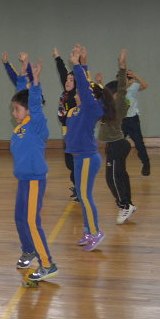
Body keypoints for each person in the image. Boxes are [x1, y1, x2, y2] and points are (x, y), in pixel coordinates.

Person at [10, 55, 57, 281]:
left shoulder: (36, 125)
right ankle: (29, 250)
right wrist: (22, 74)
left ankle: (47, 263)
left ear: (27, 110)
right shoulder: (21, 125)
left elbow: (33, 105)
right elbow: (23, 95)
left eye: (16, 109)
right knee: (20, 218)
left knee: (31, 220)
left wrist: (35, 82)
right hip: (23, 179)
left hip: (35, 179)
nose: (14, 113)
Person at [65, 45, 105, 251]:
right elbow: (87, 85)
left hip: (88, 157)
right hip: (80, 157)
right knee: (82, 196)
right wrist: (83, 62)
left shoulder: (91, 109)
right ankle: (88, 229)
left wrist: (77, 65)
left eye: (81, 91)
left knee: (85, 196)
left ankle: (95, 232)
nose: (78, 93)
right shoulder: (78, 110)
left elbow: (85, 84)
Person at [99, 50, 137, 225]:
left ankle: (123, 205)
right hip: (114, 145)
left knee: (112, 178)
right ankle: (128, 203)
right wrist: (98, 84)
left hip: (117, 144)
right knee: (120, 175)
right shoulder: (107, 108)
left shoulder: (119, 105)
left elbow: (121, 88)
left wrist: (122, 67)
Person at [54, 47, 79, 201]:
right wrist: (58, 58)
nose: (67, 82)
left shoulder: (76, 95)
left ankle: (79, 188)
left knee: (75, 163)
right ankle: (76, 185)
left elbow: (80, 78)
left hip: (76, 133)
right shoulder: (66, 93)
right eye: (67, 80)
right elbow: (63, 72)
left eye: (71, 80)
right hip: (67, 133)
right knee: (69, 163)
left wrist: (80, 61)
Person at [122, 68, 150, 177]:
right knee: (116, 143)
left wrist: (135, 75)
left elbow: (145, 85)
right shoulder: (118, 88)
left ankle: (146, 164)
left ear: (130, 80)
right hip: (121, 121)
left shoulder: (134, 87)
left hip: (133, 120)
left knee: (139, 143)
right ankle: (117, 164)